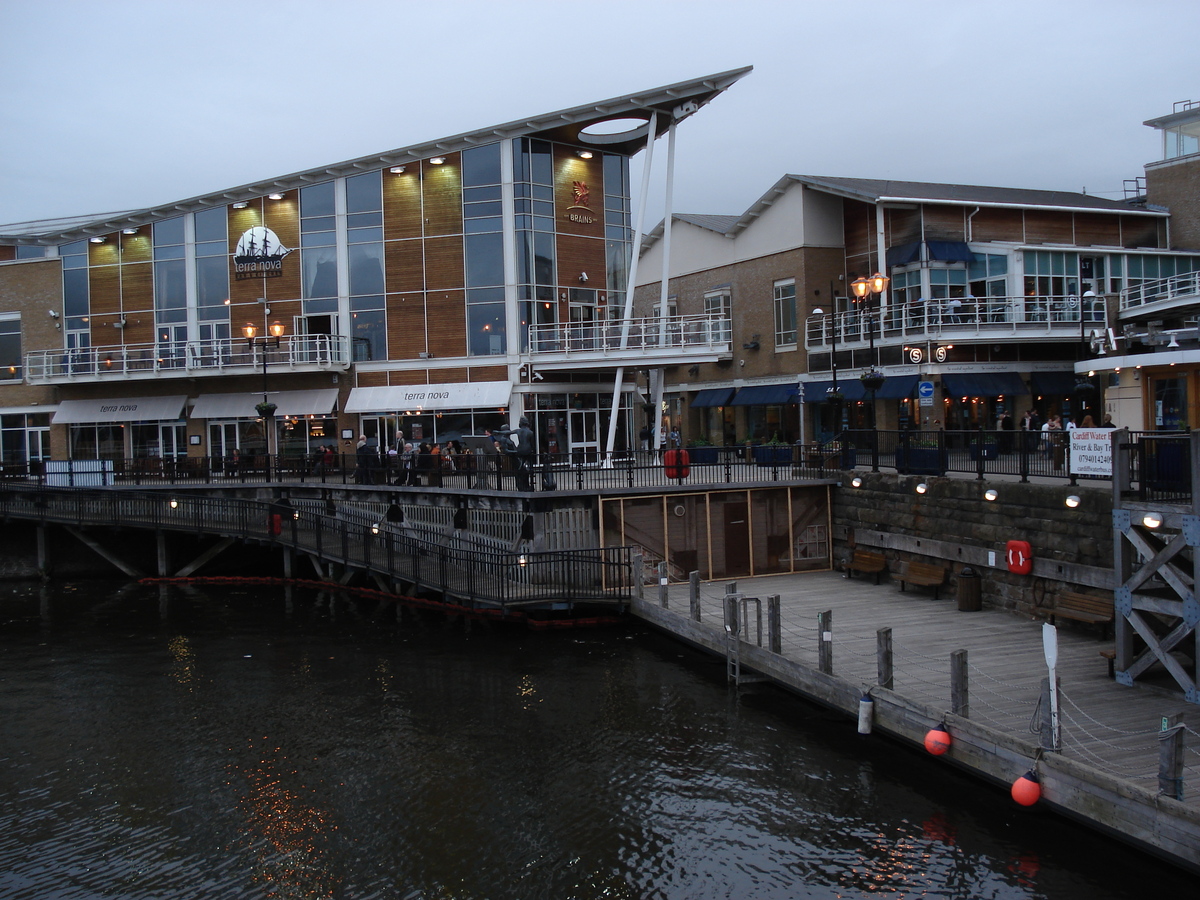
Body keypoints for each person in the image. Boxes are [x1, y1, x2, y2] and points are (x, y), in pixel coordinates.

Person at [495, 416, 536, 490]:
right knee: (524, 468)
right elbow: (532, 444)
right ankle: (525, 484)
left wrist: (498, 432)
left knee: (523, 468)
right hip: (524, 452)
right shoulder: (530, 432)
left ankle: (527, 483)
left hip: (519, 451)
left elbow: (509, 432)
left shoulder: (518, 431)